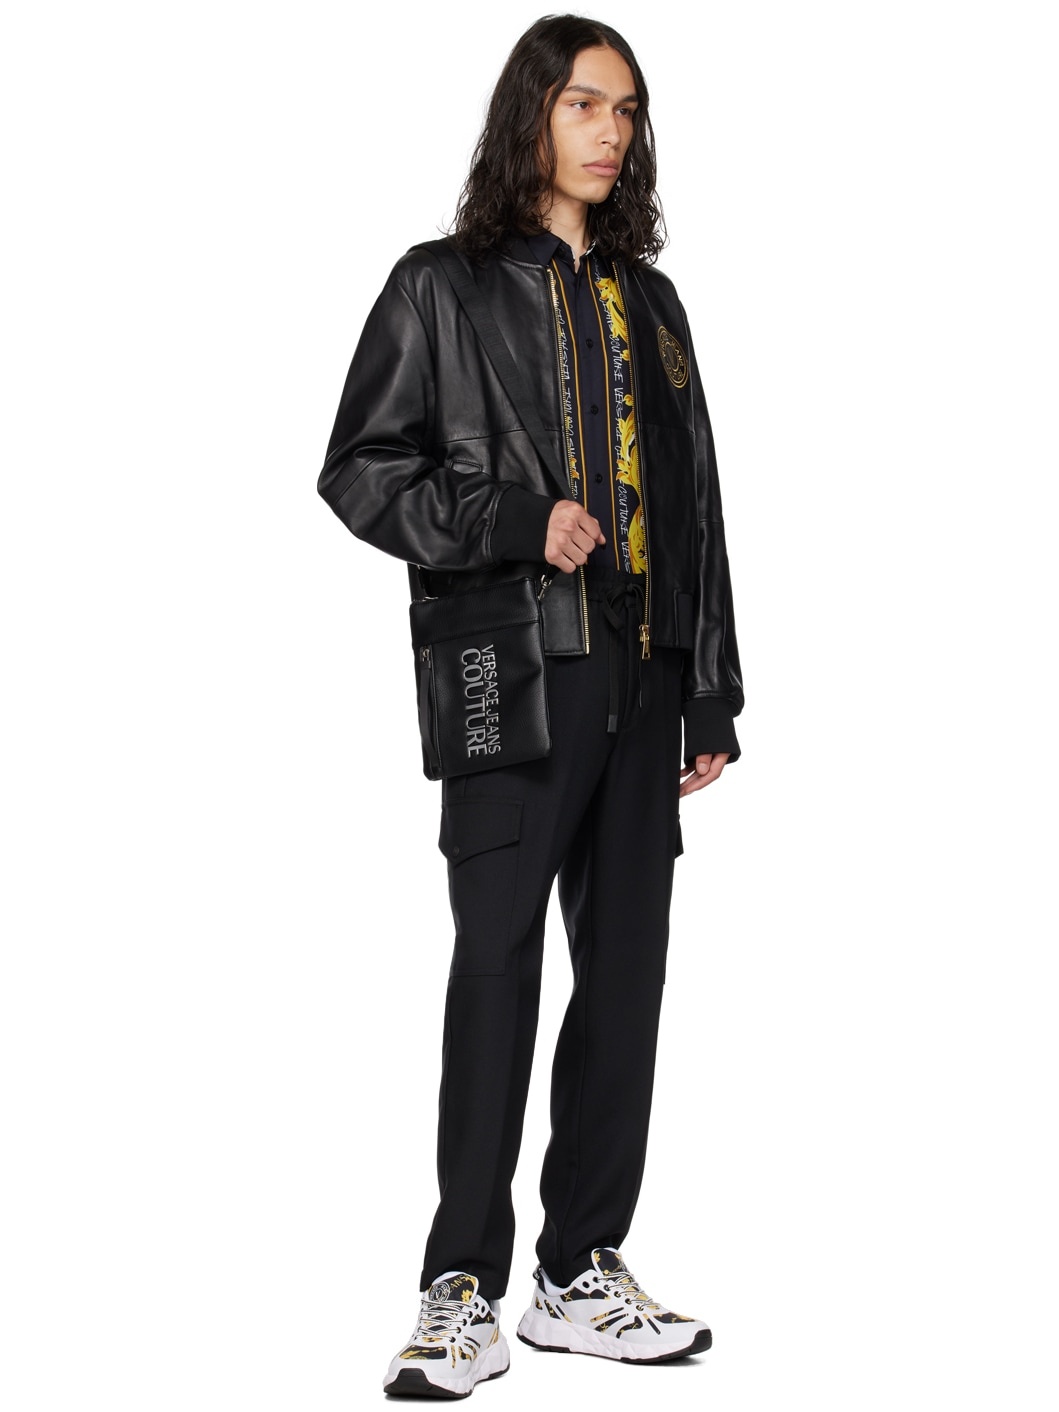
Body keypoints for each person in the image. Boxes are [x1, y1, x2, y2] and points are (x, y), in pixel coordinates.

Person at [318, 14, 744, 1399]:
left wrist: (710, 690)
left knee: (625, 980)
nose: (611, 131)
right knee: (496, 967)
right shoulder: (439, 287)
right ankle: (460, 1287)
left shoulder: (653, 304)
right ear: (531, 117)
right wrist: (511, 519)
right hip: (510, 670)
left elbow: (696, 505)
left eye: (627, 110)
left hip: (644, 679)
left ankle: (578, 1272)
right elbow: (360, 469)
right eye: (583, 105)